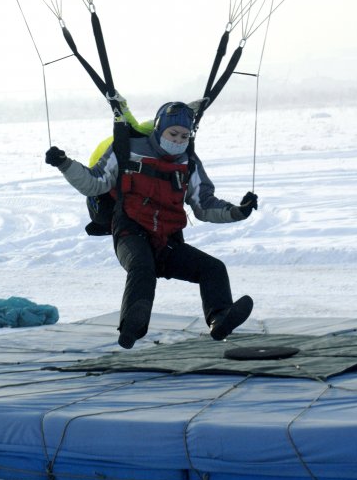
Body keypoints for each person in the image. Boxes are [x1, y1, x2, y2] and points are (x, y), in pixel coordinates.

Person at [45, 101, 258, 349]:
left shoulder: (188, 162)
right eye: (173, 134)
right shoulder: (127, 149)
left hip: (167, 240)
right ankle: (131, 327)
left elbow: (204, 204)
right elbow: (95, 183)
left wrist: (237, 212)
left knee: (214, 269)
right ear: (159, 129)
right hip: (130, 232)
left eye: (184, 136)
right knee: (142, 267)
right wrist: (64, 163)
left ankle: (220, 319)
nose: (178, 140)